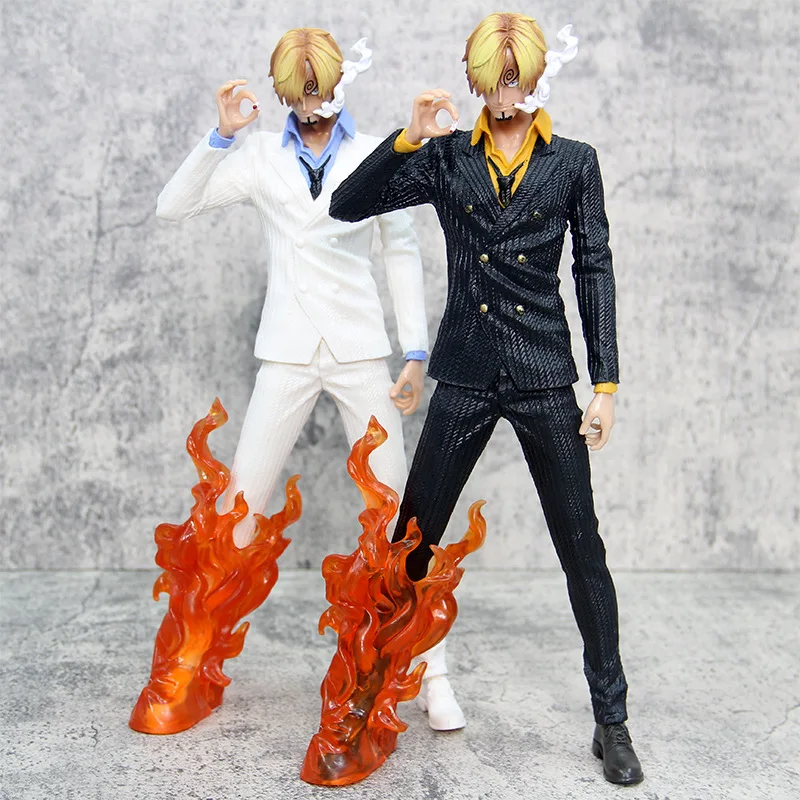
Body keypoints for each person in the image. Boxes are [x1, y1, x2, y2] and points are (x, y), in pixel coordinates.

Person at [329, 12, 643, 785]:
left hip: (542, 373)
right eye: (492, 81)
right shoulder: (446, 158)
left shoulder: (574, 162)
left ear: (536, 77)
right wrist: (407, 138)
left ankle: (611, 718)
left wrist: (604, 384)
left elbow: (594, 267)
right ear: (473, 82)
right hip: (467, 370)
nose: (505, 95)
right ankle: (364, 697)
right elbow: (347, 204)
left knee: (582, 547)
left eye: (516, 80)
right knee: (410, 543)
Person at [153, 27, 464, 731]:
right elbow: (173, 205)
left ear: (341, 83)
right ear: (283, 94)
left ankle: (433, 672)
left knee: (401, 518)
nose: (311, 107)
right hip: (288, 351)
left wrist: (414, 350)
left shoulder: (377, 152)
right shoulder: (260, 155)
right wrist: (221, 136)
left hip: (360, 353)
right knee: (237, 508)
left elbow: (401, 251)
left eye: (320, 92)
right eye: (298, 95)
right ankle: (193, 660)